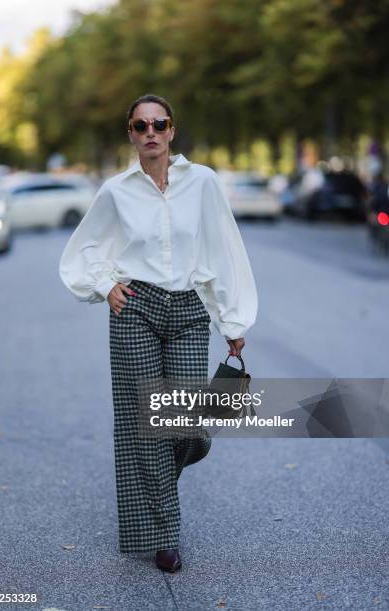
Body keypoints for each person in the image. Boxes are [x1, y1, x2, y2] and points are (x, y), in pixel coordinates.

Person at [59, 93, 258, 572]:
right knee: (144, 427)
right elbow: (81, 250)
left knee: (186, 425)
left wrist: (233, 322)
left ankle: (156, 496)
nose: (151, 132)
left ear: (172, 130)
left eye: (159, 124)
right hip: (136, 309)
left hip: (188, 309)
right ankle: (165, 534)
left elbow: (225, 250)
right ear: (130, 133)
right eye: (140, 125)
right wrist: (105, 285)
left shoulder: (203, 183)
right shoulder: (116, 191)